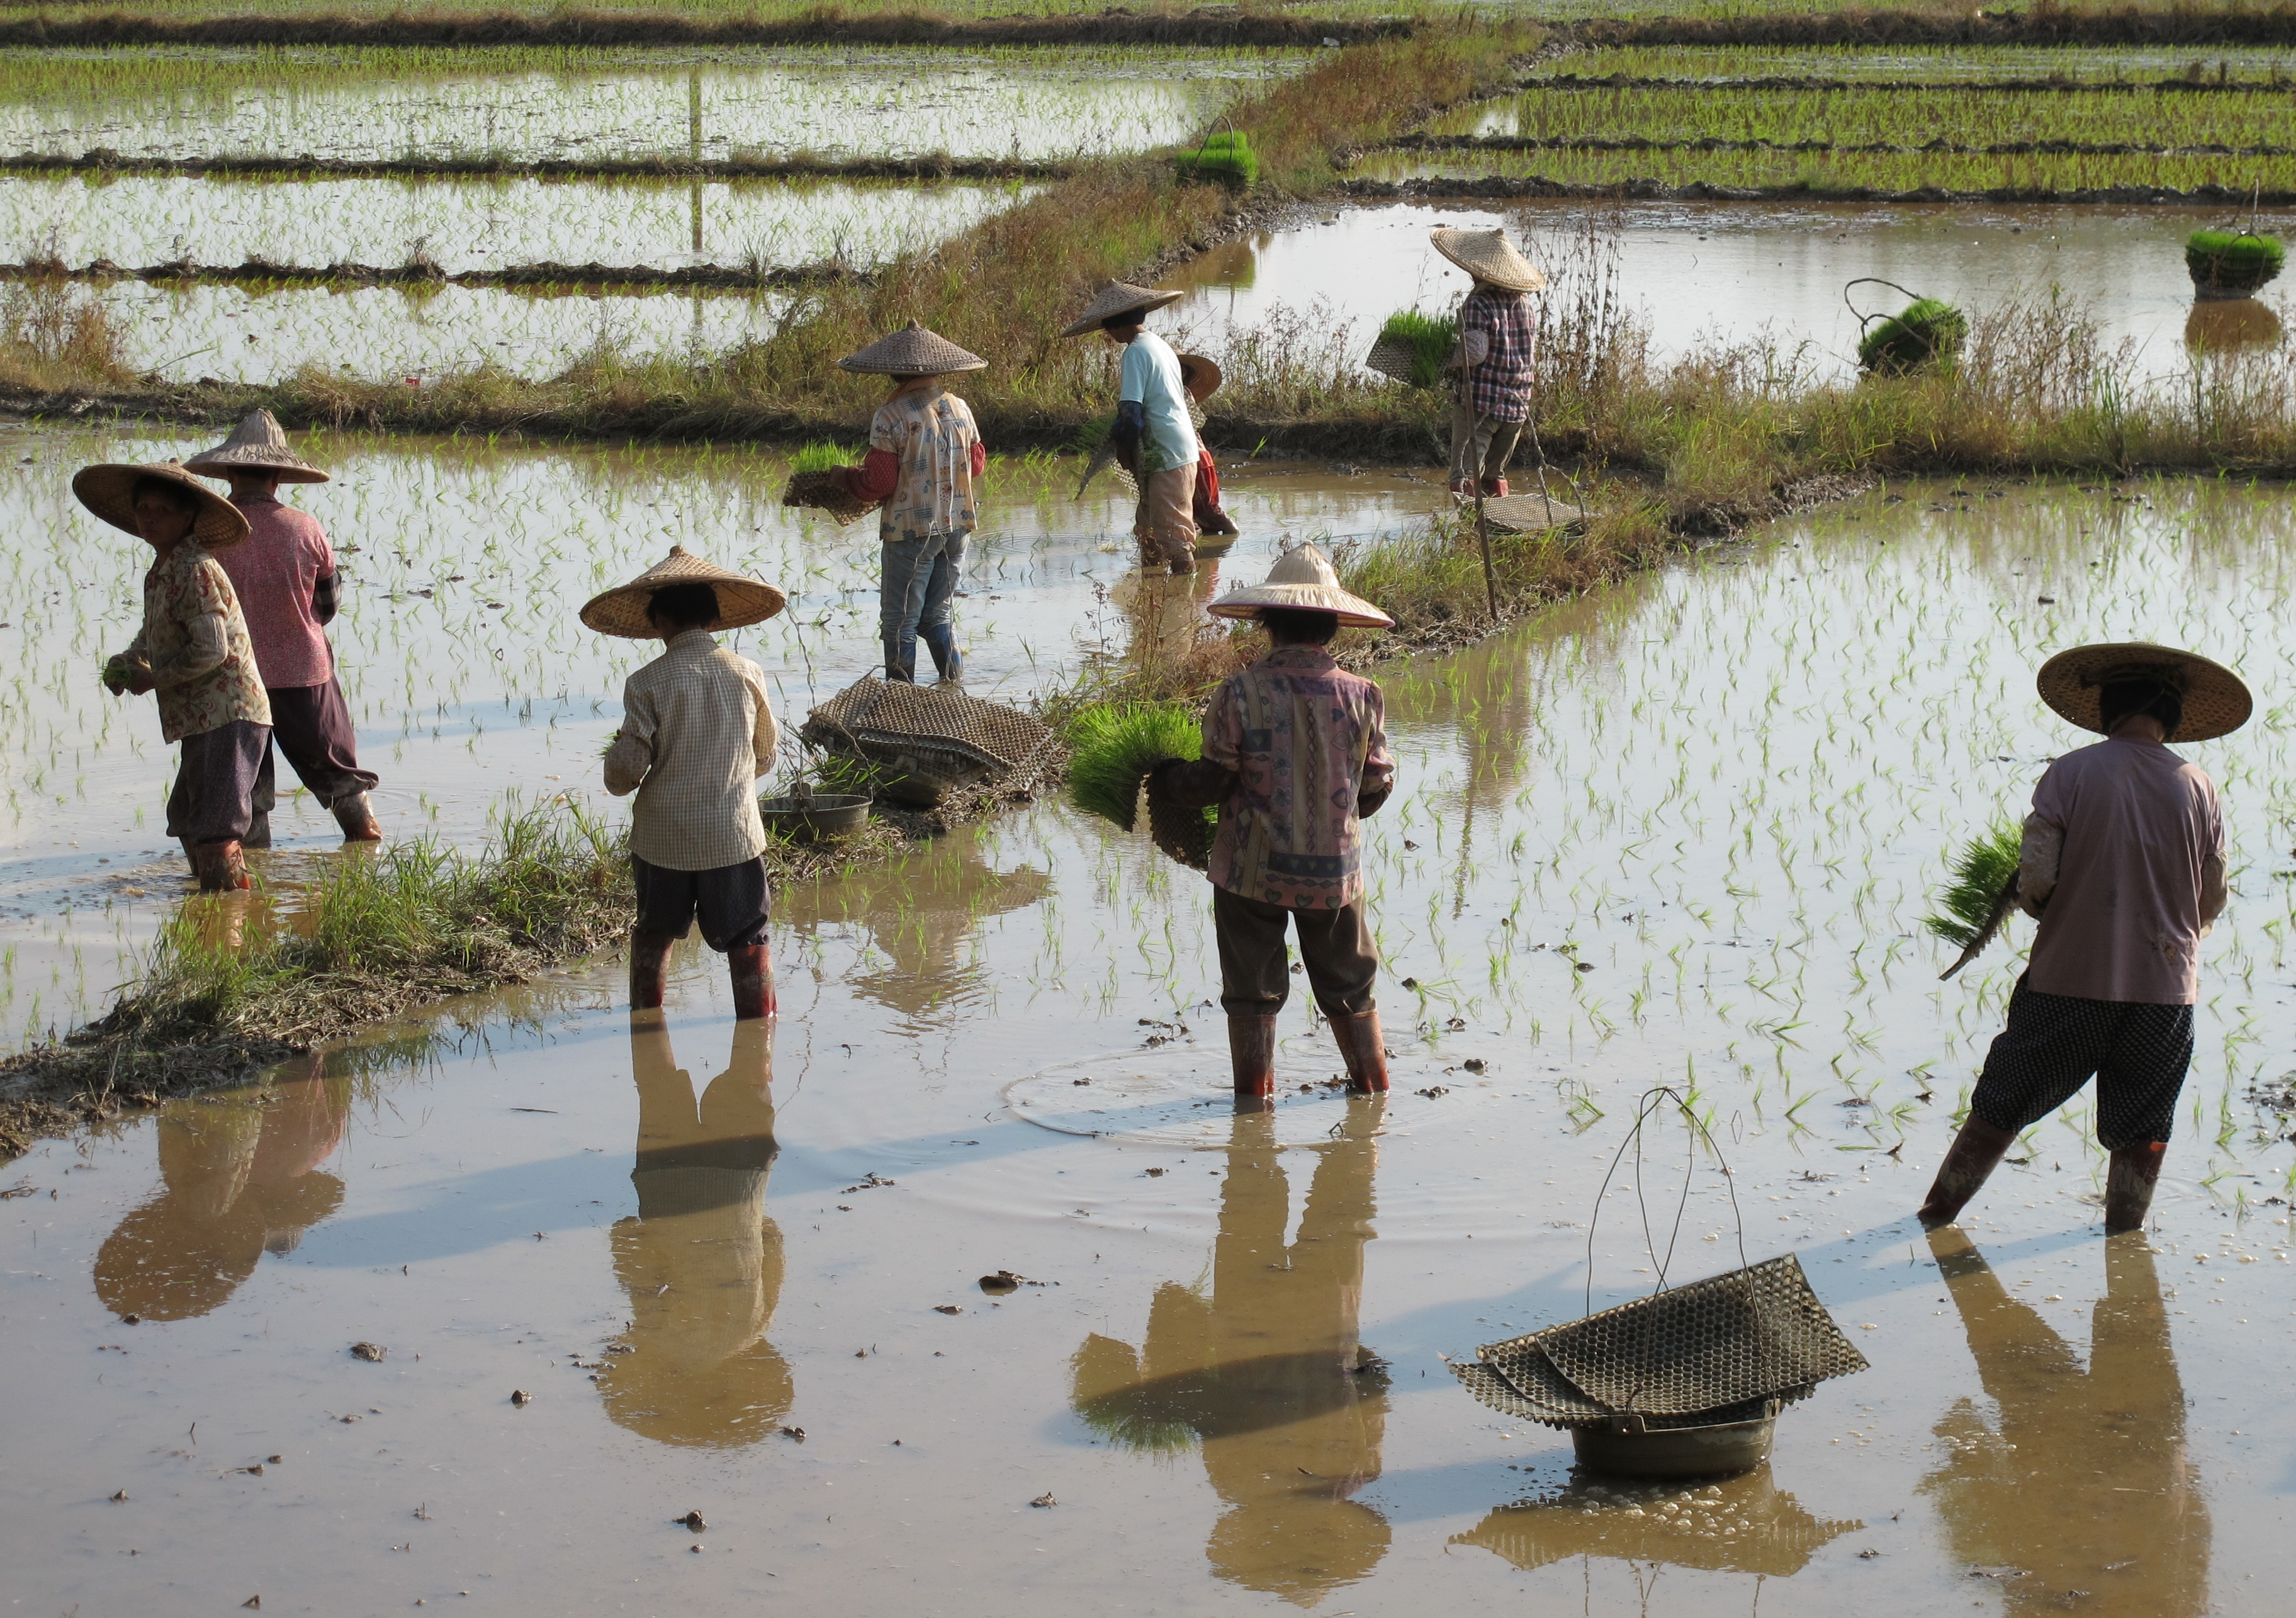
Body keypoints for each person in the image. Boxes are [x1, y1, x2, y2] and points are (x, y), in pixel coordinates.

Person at [1920, 643, 2249, 1234]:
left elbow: (2038, 879)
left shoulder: (2071, 772)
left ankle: (1935, 1218)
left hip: (2068, 983)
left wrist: (2047, 906)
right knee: (2145, 1128)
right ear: (2171, 718)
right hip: (2164, 997)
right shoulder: (2200, 786)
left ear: (2107, 711)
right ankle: (2124, 1240)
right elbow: (2212, 896)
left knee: (2002, 1103)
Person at [1152, 545, 1397, 1095]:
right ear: (1331, 626)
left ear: (1267, 623)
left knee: (1252, 989)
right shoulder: (1363, 695)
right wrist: (1334, 819)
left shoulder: (1240, 693)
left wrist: (1162, 780)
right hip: (1334, 873)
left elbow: (1213, 782)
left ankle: (1254, 1105)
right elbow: (1377, 784)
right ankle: (1374, 1094)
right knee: (1351, 985)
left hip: (1251, 872)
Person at [583, 546, 788, 1020]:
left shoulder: (646, 682)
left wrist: (617, 758)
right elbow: (765, 756)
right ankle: (757, 1042)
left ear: (659, 623)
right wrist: (725, 778)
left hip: (664, 839)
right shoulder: (747, 673)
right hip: (732, 836)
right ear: (714, 620)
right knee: (749, 937)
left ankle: (646, 1024)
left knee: (656, 928)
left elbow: (625, 775)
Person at [184, 410, 381, 844]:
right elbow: (326, 606)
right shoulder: (305, 528)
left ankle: (256, 880)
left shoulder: (205, 533)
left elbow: (194, 609)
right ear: (277, 477)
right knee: (335, 770)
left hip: (230, 679)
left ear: (231, 475)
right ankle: (364, 841)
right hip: (302, 671)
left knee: (244, 786)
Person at [84, 460, 269, 893]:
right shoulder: (163, 571)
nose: (150, 518)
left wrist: (153, 679)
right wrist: (128, 659)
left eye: (162, 510)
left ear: (187, 517)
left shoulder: (196, 568)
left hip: (229, 713)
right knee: (187, 818)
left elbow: (211, 649)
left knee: (216, 827)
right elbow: (155, 633)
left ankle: (229, 921)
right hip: (201, 717)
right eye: (143, 508)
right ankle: (214, 908)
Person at [828, 320, 988, 684]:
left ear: (891, 373)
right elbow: (975, 465)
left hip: (912, 530)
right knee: (938, 615)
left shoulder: (891, 416)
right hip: (958, 525)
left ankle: (899, 703)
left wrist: (845, 477)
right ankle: (954, 685)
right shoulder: (960, 408)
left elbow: (878, 483)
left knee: (899, 622)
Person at [1061, 280, 1198, 575]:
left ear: (1113, 326)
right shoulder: (1160, 344)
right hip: (1177, 446)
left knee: (1175, 538)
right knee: (1148, 530)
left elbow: (1131, 412)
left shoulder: (1135, 352)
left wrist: (1123, 449)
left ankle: (1182, 606)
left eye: (1107, 328)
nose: (1108, 335)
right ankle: (1150, 602)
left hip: (1166, 450)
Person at [1431, 227, 1545, 501]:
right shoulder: (1524, 303)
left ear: (1475, 271)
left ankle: (1472, 532)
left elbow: (1475, 351)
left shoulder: (1479, 303)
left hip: (1481, 404)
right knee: (1495, 474)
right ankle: (1499, 528)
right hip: (1517, 404)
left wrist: (1439, 358)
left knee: (1466, 474)